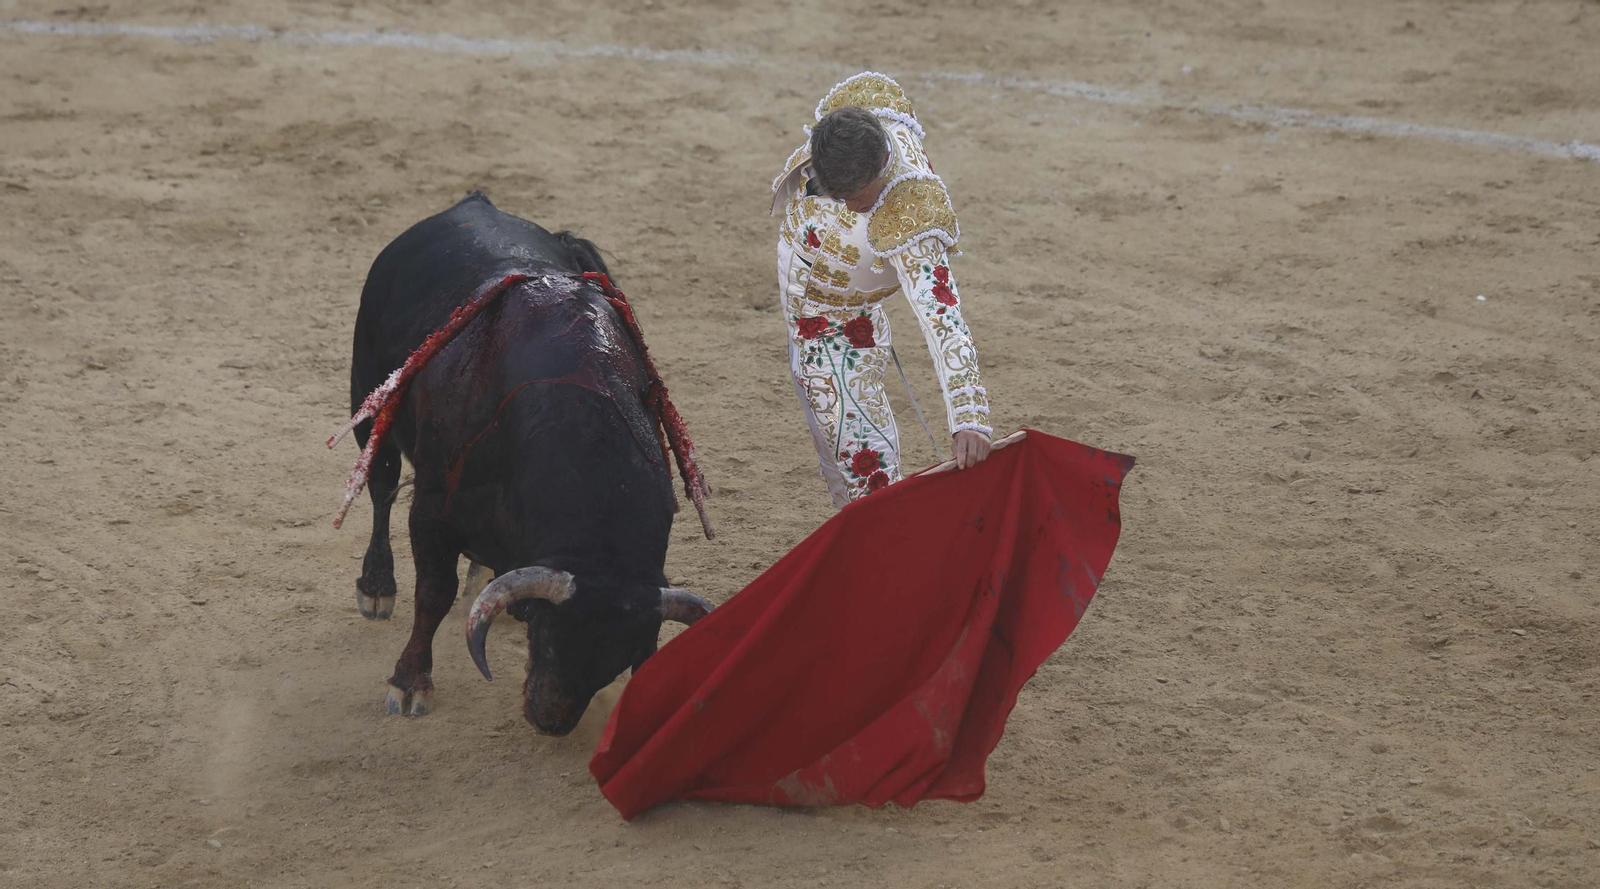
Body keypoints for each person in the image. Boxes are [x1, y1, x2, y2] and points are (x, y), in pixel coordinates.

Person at [772, 71, 993, 508]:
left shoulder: (913, 214)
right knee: (833, 454)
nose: (849, 205)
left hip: (840, 331)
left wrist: (969, 415)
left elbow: (943, 318)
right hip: (802, 311)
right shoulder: (856, 116)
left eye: (858, 197)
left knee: (871, 478)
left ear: (879, 167)